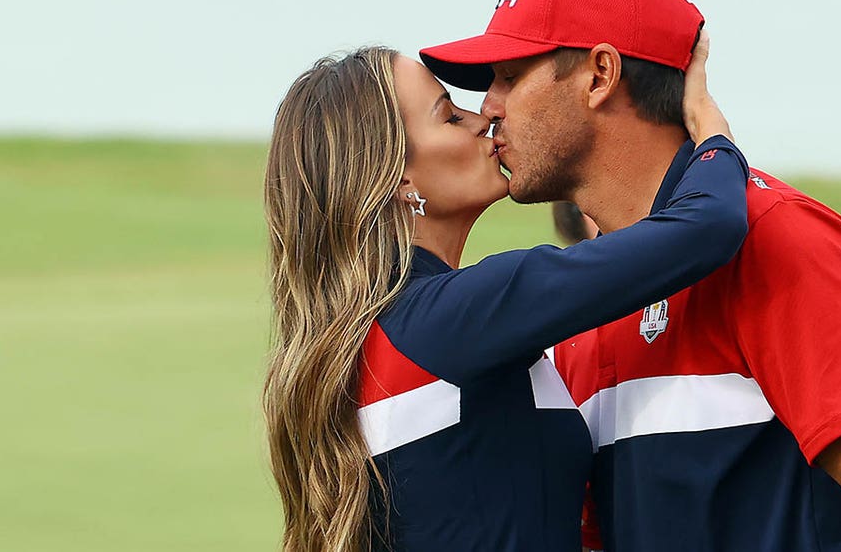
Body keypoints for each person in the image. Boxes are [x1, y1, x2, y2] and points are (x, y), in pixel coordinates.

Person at [420, 0, 841, 551]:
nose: (488, 106)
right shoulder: (583, 297)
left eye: (510, 76)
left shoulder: (777, 235)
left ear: (599, 75)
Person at [262, 35, 748, 551]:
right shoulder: (452, 317)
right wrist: (707, 125)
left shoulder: (381, 332)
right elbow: (706, 225)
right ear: (399, 179)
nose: (482, 119)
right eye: (449, 116)